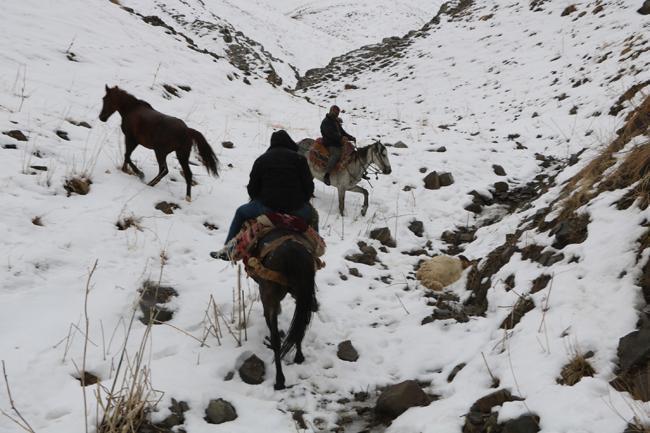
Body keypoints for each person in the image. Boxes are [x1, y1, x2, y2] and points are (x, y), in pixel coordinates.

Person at [211, 130, 314, 260]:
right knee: (313, 215)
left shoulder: (262, 159)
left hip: (267, 208)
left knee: (241, 212)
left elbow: (252, 188)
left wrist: (259, 199)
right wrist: (302, 201)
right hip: (297, 209)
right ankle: (314, 251)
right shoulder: (300, 159)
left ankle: (228, 250)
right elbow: (309, 187)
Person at [320, 105, 356, 185]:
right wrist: (341, 138)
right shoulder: (326, 122)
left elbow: (342, 132)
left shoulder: (335, 121)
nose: (336, 114)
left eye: (337, 113)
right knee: (336, 154)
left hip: (338, 142)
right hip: (329, 143)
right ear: (331, 111)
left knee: (351, 151)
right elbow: (330, 134)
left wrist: (350, 137)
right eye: (335, 112)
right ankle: (327, 174)